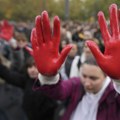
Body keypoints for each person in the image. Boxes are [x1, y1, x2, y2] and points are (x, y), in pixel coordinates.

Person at [29, 3, 120, 120]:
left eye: (93, 78)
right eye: (84, 76)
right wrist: (48, 77)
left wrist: (118, 80)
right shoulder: (77, 84)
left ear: (105, 77)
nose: (87, 82)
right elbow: (59, 92)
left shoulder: (114, 93)